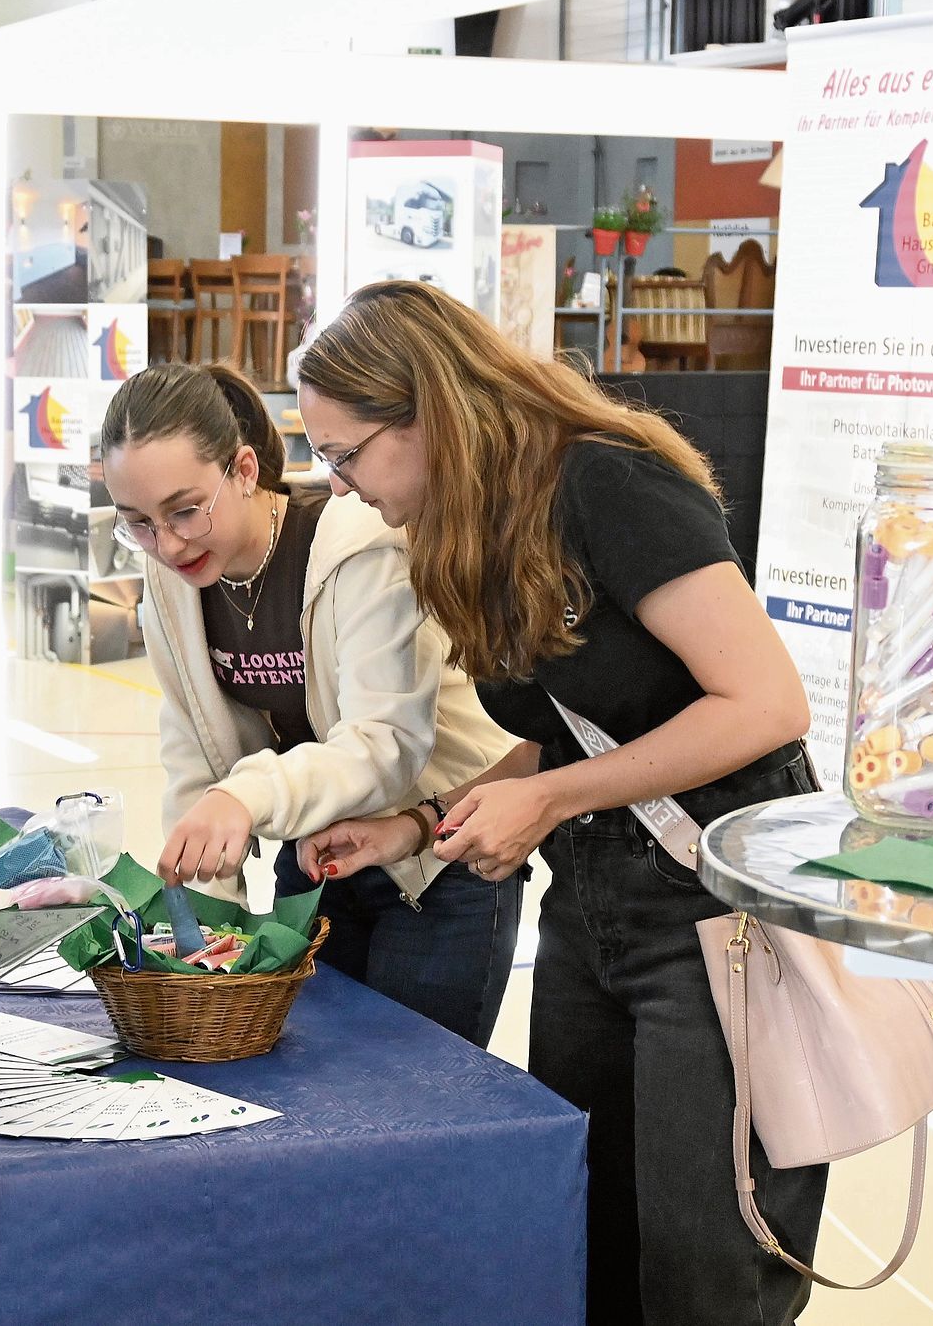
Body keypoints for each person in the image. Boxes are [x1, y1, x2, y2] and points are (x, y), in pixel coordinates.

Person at [294, 280, 824, 1326]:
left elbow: (764, 703)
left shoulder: (607, 481)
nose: (342, 487)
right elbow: (570, 722)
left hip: (718, 912)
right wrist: (419, 829)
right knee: (583, 1233)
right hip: (589, 913)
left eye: (347, 455)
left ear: (429, 410)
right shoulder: (479, 522)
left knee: (701, 1268)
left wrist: (553, 800)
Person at [101, 362, 524, 1046]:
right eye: (138, 523)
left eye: (185, 510)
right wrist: (206, 935)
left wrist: (245, 796)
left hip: (443, 857)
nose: (168, 542)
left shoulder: (357, 543)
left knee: (407, 1105)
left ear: (243, 469)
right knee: (308, 1092)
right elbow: (194, 755)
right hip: (320, 860)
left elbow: (384, 744)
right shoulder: (172, 579)